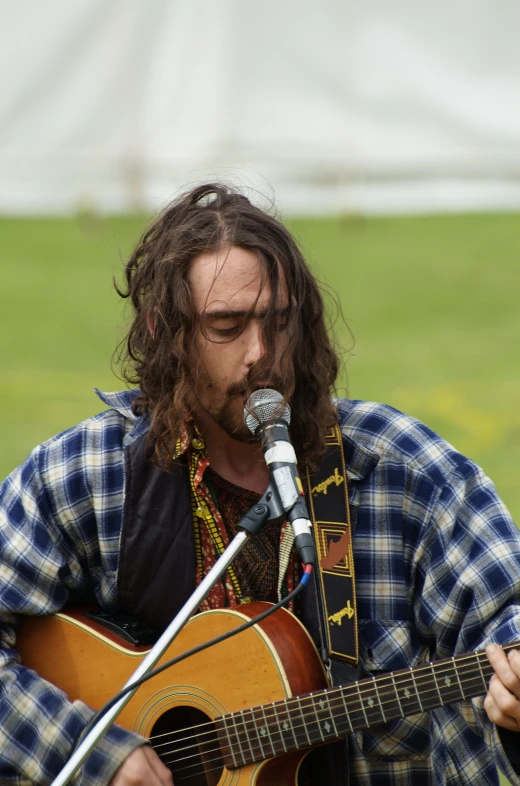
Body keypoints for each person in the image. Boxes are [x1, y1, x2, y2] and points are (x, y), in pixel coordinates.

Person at [1, 183, 520, 786]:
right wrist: (92, 754)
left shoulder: (405, 471)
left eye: (280, 322)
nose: (262, 353)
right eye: (227, 326)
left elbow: (504, 613)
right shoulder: (87, 476)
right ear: (166, 331)